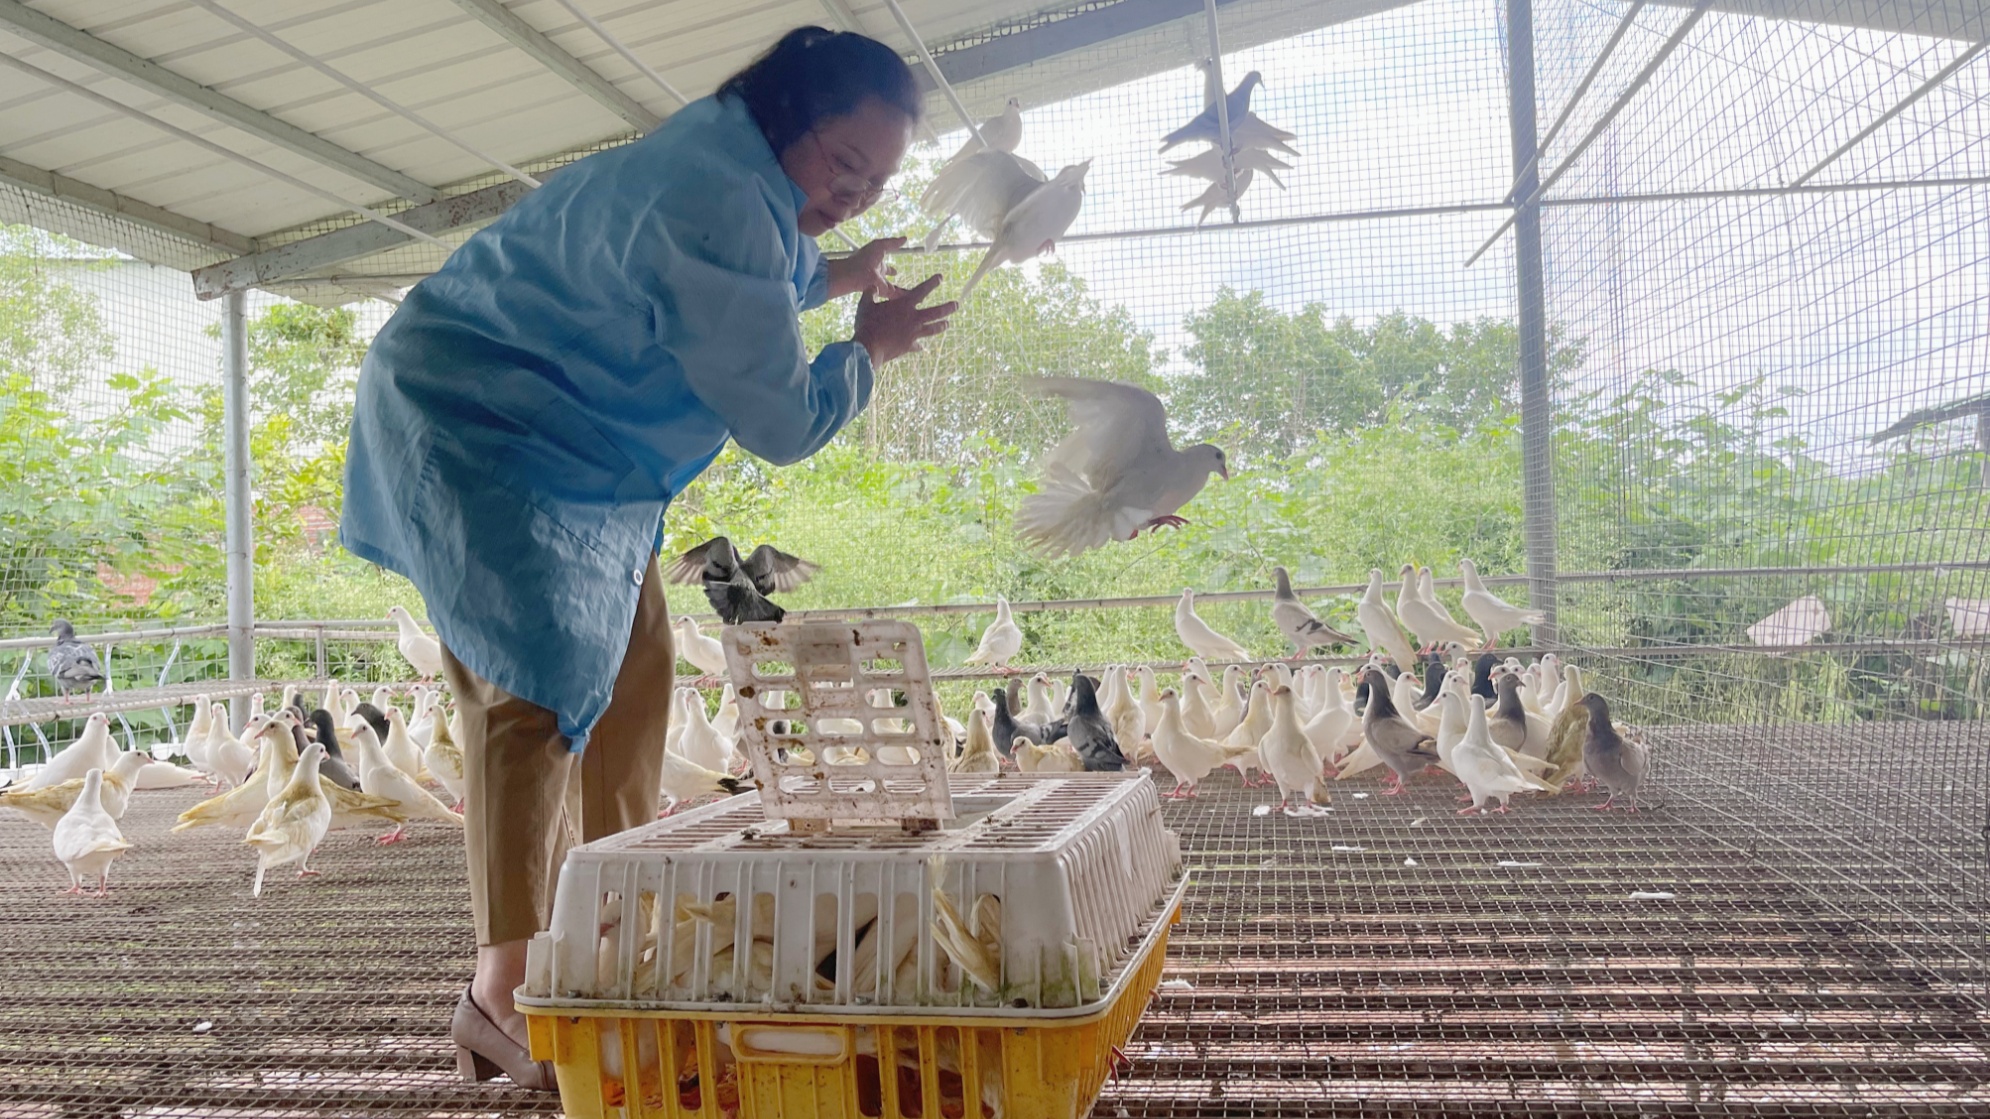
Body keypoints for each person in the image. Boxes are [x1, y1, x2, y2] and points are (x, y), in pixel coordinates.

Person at [339, 27, 954, 1089]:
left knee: (634, 675)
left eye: (876, 183)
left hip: (583, 460)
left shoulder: (734, 172)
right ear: (784, 122)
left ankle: (607, 941)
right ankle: (502, 993)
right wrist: (867, 350)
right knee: (530, 697)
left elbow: (736, 275)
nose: (854, 194)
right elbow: (781, 417)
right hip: (478, 424)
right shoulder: (717, 195)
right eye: (844, 165)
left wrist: (833, 270)